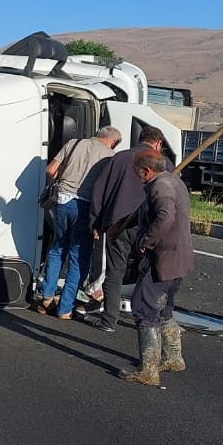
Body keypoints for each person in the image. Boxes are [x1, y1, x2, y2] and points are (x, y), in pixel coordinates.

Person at [81, 127, 169, 332]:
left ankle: (109, 319)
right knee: (148, 274)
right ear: (158, 144)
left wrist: (96, 221)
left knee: (115, 272)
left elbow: (99, 191)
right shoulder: (164, 163)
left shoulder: (119, 158)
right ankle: (147, 320)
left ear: (140, 139)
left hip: (117, 225)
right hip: (148, 227)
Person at [120, 152, 194, 386]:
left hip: (163, 258)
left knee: (144, 307)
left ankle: (149, 370)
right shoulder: (175, 182)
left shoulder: (160, 187)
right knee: (164, 309)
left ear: (146, 170)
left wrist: (146, 241)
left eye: (136, 171)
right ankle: (173, 357)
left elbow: (165, 217)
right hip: (180, 257)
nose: (135, 175)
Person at [34, 126, 117, 318]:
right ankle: (65, 308)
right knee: (79, 257)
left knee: (58, 248)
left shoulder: (74, 143)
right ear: (112, 141)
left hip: (62, 201)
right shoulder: (110, 156)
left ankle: (46, 296)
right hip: (86, 207)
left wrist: (63, 183)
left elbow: (50, 169)